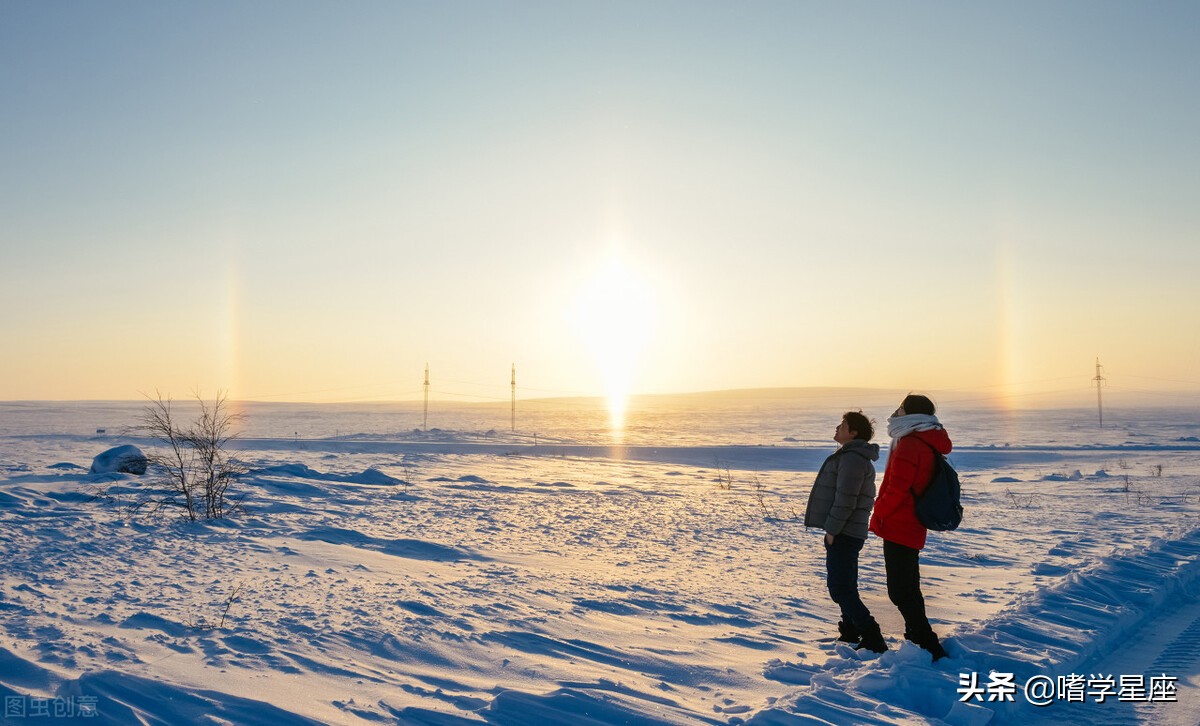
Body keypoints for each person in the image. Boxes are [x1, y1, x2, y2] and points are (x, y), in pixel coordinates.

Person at [868, 393, 951, 661]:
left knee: (900, 589)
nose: (897, 411)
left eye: (902, 408)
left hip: (899, 521)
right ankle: (918, 638)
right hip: (911, 521)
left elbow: (897, 488)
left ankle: (926, 642)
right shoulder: (925, 438)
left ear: (912, 414)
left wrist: (879, 513)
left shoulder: (909, 444)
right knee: (908, 586)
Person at [804, 411, 886, 653]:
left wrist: (832, 529)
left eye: (842, 425)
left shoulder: (852, 459)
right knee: (845, 585)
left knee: (840, 588)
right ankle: (851, 631)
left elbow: (846, 499)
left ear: (853, 433)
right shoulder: (851, 456)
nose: (837, 428)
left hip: (845, 532)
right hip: (847, 531)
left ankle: (872, 635)